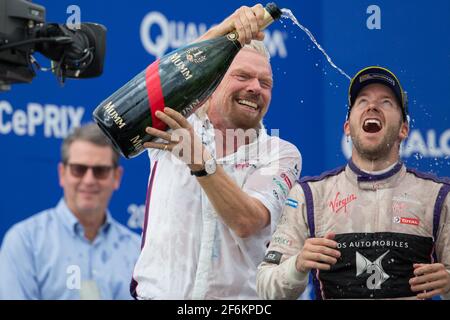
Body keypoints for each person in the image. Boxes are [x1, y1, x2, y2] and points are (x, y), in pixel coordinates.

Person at [130, 4, 302, 299]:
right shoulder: (173, 122)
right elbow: (164, 81)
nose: (255, 88)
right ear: (211, 82)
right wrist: (221, 31)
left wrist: (201, 163)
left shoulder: (280, 152)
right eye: (243, 76)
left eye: (265, 83)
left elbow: (247, 222)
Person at [256, 66, 450, 300]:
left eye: (386, 102)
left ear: (404, 129)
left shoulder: (438, 196)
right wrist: (297, 265)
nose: (372, 106)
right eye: (362, 101)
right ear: (347, 127)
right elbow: (267, 288)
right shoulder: (309, 195)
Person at [0, 123, 141, 300]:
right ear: (62, 173)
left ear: (117, 177)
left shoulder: (138, 251)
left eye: (100, 171)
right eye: (79, 169)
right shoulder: (25, 242)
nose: (89, 180)